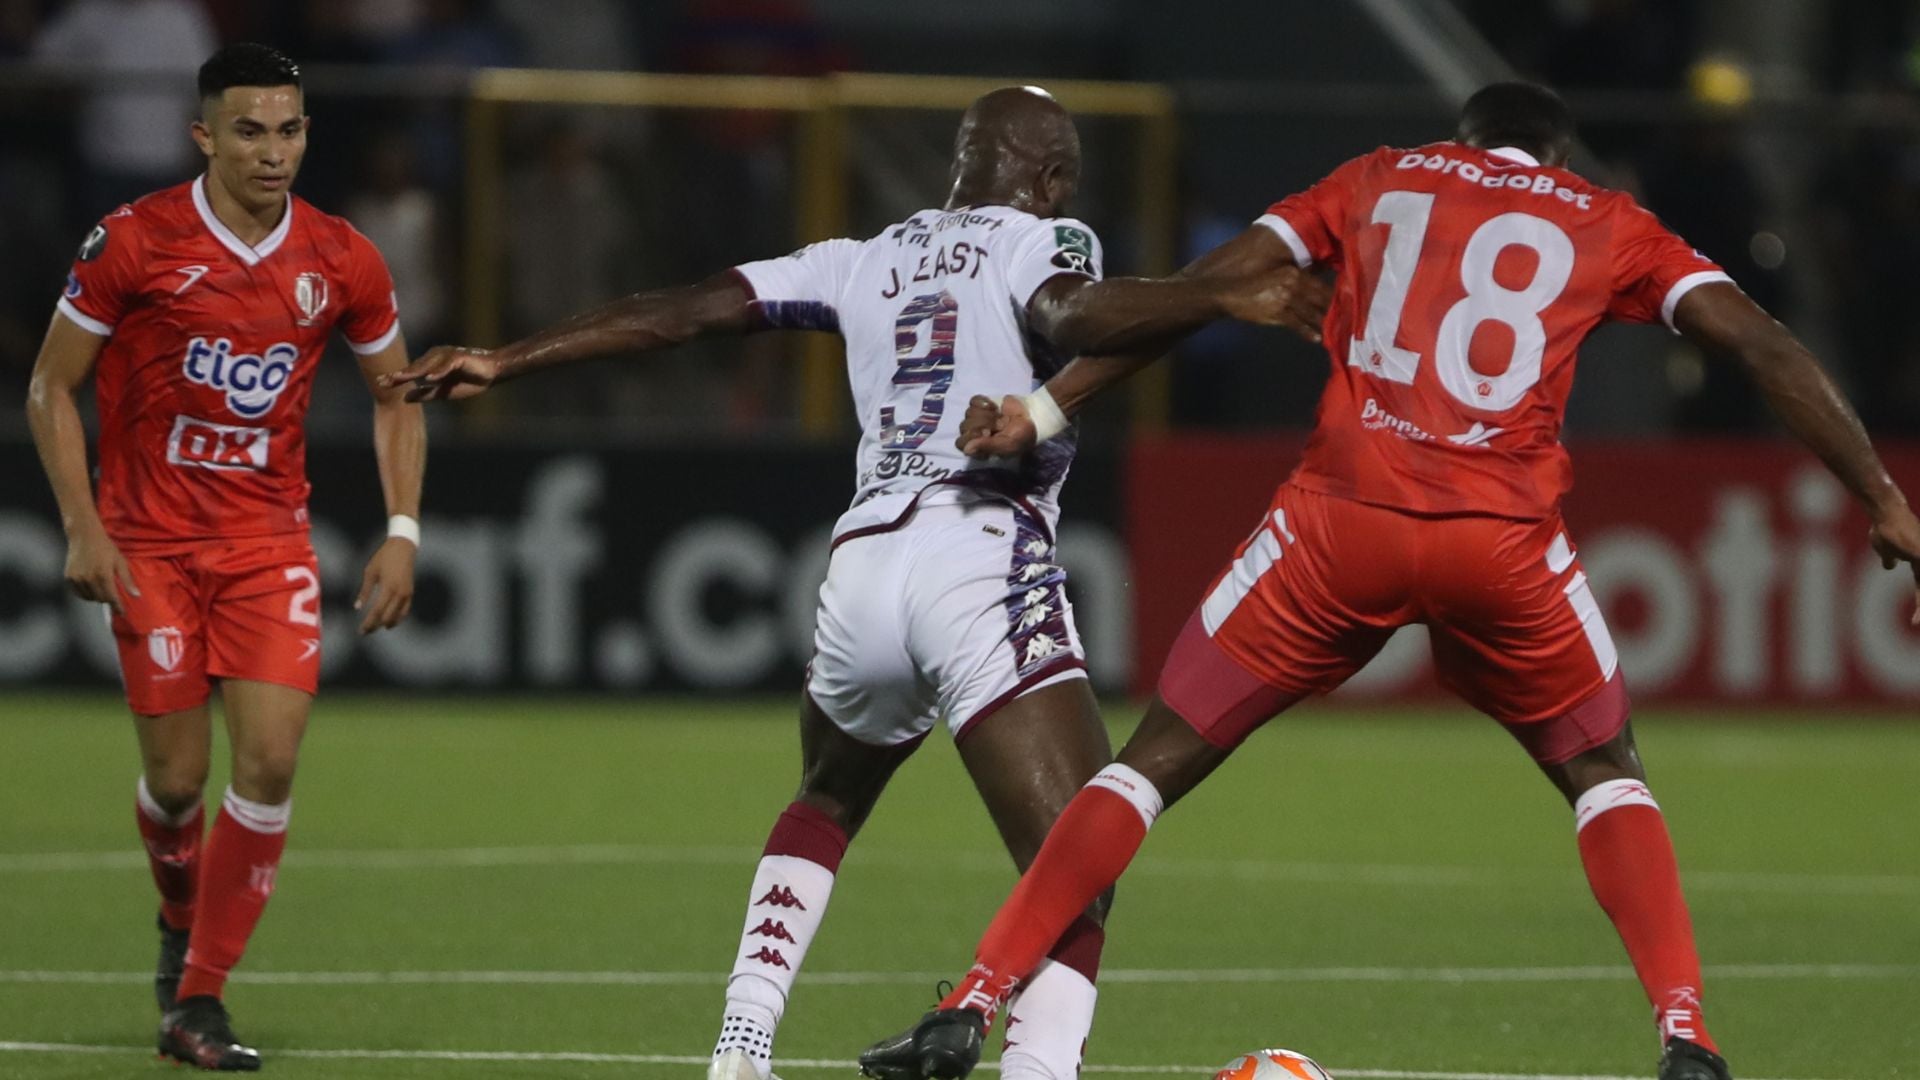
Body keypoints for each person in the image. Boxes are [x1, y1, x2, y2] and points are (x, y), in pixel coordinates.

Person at [859, 82, 1920, 1080]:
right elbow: (1766, 349)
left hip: (1340, 525)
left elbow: (1210, 289)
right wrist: (1881, 496)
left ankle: (973, 1003)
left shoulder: (1379, 176)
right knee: (1606, 771)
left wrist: (1047, 408)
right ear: (1552, 155)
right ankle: (1686, 1030)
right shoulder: (1606, 216)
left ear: (1461, 140)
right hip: (1499, 541)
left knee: (1148, 766)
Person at [384, 85, 1324, 1080]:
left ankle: (741, 1046)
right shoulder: (1041, 240)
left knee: (826, 798)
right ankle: (1039, 1074)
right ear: (1049, 179)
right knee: (1074, 869)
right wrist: (1217, 294)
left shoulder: (858, 259)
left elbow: (681, 313)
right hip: (978, 552)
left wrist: (507, 357)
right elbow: (1074, 314)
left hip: (864, 562)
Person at [24, 43, 425, 1071]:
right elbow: (48, 387)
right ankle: (176, 910)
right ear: (205, 135)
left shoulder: (341, 257)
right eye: (250, 130)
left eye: (289, 129)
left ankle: (198, 999)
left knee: (274, 759)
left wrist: (401, 528)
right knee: (175, 783)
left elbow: (397, 394)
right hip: (150, 544)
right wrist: (83, 523)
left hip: (265, 544)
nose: (273, 151)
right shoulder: (136, 240)